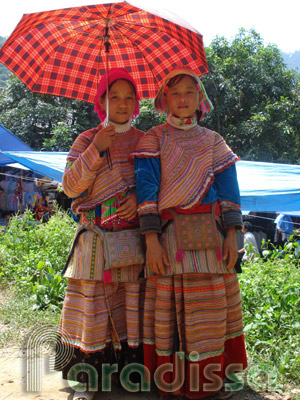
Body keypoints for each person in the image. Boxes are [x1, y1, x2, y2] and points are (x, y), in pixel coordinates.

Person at [132, 67, 247, 399]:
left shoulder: (214, 142)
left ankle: (210, 379)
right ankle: (174, 381)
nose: (182, 99)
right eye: (175, 92)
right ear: (163, 98)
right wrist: (151, 241)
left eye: (189, 92)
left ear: (201, 99)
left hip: (211, 242)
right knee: (170, 308)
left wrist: (232, 235)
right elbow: (147, 193)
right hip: (168, 240)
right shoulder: (153, 139)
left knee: (210, 310)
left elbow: (229, 193)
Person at [55, 68, 145, 400]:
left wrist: (138, 200)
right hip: (93, 239)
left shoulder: (144, 140)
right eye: (113, 96)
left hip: (130, 242)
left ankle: (127, 371)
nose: (121, 104)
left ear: (136, 103)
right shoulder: (86, 138)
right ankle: (87, 379)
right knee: (92, 305)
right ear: (101, 101)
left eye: (128, 97)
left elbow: (155, 185)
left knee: (129, 304)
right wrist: (96, 148)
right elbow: (70, 186)